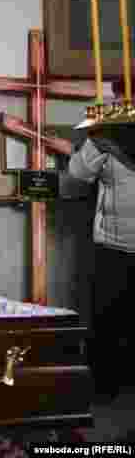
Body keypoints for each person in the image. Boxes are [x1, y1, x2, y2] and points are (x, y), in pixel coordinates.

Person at [69, 130, 135, 402]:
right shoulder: (110, 132)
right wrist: (95, 143)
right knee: (108, 321)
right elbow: (78, 173)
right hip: (113, 245)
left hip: (115, 242)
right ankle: (104, 388)